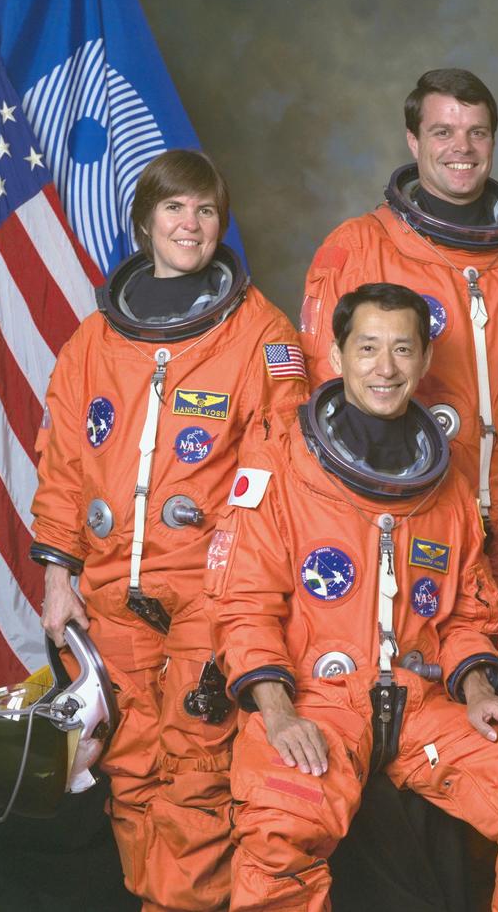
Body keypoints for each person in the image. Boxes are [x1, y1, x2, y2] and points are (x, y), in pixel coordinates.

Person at [208, 283, 498, 911]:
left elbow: (467, 612)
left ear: (422, 362)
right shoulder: (280, 469)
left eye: (402, 350)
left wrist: (478, 693)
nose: (385, 368)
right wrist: (277, 713)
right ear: (335, 355)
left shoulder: (446, 482)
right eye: (367, 348)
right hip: (320, 699)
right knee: (281, 831)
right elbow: (246, 607)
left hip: (424, 705)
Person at [32, 150, 308, 910]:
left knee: (196, 768)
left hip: (207, 593)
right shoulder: (93, 341)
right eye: (176, 209)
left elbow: (278, 468)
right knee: (129, 765)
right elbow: (62, 468)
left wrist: (234, 574)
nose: (191, 224)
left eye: (207, 210)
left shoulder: (261, 334)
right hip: (110, 590)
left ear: (224, 223)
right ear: (144, 221)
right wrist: (59, 578)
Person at [300, 69, 498, 596]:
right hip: (405, 521)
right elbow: (324, 404)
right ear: (413, 140)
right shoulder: (360, 249)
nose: (461, 148)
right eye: (442, 131)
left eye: (477, 133)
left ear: (492, 141)